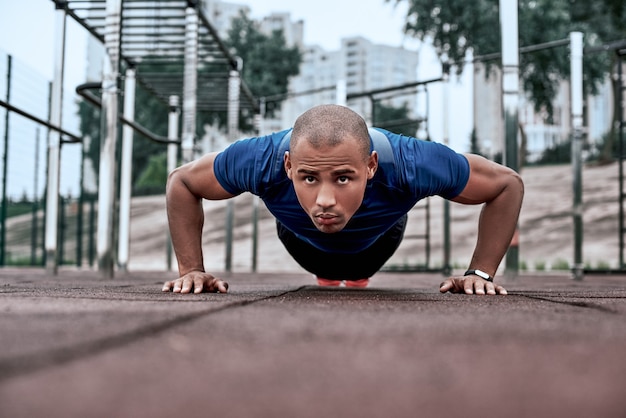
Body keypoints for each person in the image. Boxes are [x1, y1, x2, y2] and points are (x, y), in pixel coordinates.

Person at [162, 104, 523, 295]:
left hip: (378, 241)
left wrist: (479, 273)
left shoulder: (411, 163)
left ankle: (357, 275)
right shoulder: (260, 160)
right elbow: (182, 182)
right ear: (288, 165)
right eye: (308, 177)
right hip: (300, 240)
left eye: (343, 178)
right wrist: (191, 271)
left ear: (371, 165)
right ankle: (327, 271)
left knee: (361, 262)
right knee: (311, 233)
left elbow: (506, 184)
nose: (325, 200)